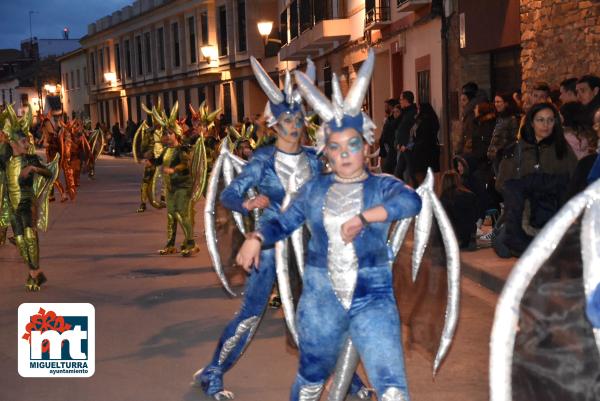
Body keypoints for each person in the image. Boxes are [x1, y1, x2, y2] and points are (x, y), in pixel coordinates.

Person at [236, 49, 422, 401]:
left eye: (353, 145)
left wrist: (366, 216)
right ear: (326, 151)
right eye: (336, 147)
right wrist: (257, 236)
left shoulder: (381, 185)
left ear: (366, 146)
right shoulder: (314, 189)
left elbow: (411, 201)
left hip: (373, 298)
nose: (345, 154)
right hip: (321, 301)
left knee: (393, 388)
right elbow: (285, 221)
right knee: (310, 381)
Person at [193, 58, 324, 400]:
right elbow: (230, 193)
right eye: (286, 122)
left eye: (297, 120)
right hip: (267, 246)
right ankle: (213, 372)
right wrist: (250, 203)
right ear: (275, 125)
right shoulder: (262, 160)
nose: (293, 127)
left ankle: (346, 378)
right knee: (252, 312)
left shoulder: (313, 159)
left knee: (319, 313)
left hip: (306, 244)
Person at [495, 102, 578, 257]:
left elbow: (575, 181)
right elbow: (501, 184)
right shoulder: (516, 150)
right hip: (522, 214)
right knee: (503, 247)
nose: (546, 125)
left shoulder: (563, 150)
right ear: (531, 122)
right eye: (540, 120)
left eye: (550, 120)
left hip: (553, 212)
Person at [2, 122, 54, 290]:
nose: (27, 144)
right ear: (13, 143)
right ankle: (35, 272)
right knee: (19, 240)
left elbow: (49, 173)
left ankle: (34, 274)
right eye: (23, 141)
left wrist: (33, 168)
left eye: (27, 141)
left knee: (30, 237)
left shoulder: (31, 159)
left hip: (27, 203)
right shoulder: (5, 161)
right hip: (12, 206)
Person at [440, 170, 478, 249]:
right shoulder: (470, 194)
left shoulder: (444, 198)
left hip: (455, 232)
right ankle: (471, 238)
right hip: (470, 230)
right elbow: (474, 215)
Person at [488, 93, 519, 174]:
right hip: (495, 156)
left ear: (506, 103)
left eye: (499, 102)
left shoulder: (512, 119)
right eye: (495, 102)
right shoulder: (499, 118)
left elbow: (514, 137)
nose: (496, 104)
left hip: (503, 156)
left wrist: (502, 151)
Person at [410, 102, 440, 185]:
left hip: (423, 152)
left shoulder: (425, 121)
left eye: (419, 109)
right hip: (427, 151)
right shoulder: (425, 119)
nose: (417, 111)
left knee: (421, 176)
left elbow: (422, 136)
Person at [394, 91, 418, 181]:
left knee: (412, 175)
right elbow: (400, 129)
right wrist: (398, 143)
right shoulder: (405, 112)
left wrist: (407, 145)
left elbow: (413, 132)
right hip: (403, 147)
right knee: (398, 173)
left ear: (406, 100)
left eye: (401, 99)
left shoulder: (412, 113)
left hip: (408, 148)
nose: (400, 102)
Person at [457, 81, 479, 155]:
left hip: (471, 151)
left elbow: (468, 134)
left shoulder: (471, 114)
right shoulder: (467, 113)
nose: (462, 103)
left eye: (464, 100)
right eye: (461, 100)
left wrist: (460, 150)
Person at [379, 98, 400, 174]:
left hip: (391, 147)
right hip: (385, 147)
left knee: (388, 168)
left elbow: (392, 133)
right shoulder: (388, 118)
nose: (385, 108)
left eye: (386, 106)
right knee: (385, 168)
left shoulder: (394, 120)